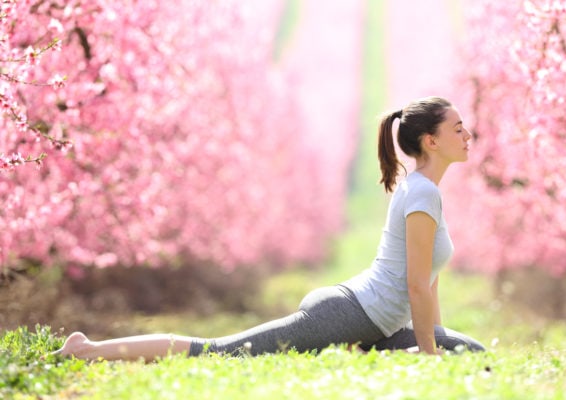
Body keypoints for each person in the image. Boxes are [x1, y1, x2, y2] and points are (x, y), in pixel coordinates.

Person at [54, 96, 484, 361]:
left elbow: (430, 279)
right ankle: (87, 350)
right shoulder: (422, 192)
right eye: (458, 129)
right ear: (430, 140)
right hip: (348, 313)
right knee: (220, 352)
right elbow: (415, 287)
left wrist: (437, 340)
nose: (468, 135)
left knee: (472, 354)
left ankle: (357, 353)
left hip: (376, 323)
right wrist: (428, 352)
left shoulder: (424, 189)